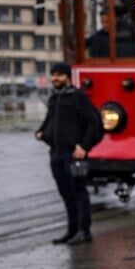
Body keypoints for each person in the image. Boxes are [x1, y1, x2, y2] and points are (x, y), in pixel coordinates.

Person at [35, 62, 104, 245]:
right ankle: (71, 231)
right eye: (53, 74)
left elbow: (94, 124)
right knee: (66, 193)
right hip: (56, 154)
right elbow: (50, 120)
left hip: (74, 155)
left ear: (68, 77)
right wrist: (42, 132)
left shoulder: (78, 97)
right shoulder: (54, 98)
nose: (55, 78)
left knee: (78, 192)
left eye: (59, 75)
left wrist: (84, 147)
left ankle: (84, 231)